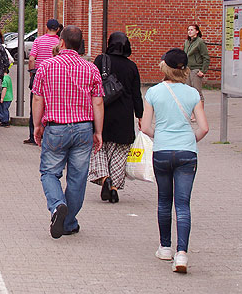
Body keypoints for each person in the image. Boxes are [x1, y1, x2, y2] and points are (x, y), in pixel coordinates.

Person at [140, 48, 209, 274]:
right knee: (183, 204)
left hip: (162, 151)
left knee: (163, 201)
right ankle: (182, 254)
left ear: (165, 67)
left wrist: (159, 136)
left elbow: (145, 126)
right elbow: (204, 127)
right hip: (187, 153)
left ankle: (165, 247)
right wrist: (190, 139)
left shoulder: (153, 92)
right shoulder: (192, 94)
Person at [31, 25, 104, 239]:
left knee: (49, 172)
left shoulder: (46, 67)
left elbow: (37, 98)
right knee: (77, 177)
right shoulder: (91, 68)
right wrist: (98, 131)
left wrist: (37, 125)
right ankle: (69, 221)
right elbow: (98, 102)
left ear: (61, 42)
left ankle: (57, 206)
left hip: (56, 127)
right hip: (83, 127)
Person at [89, 32, 143, 203]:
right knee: (120, 152)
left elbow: (92, 86)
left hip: (103, 112)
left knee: (99, 148)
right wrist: (140, 115)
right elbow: (136, 94)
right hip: (125, 115)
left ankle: (105, 178)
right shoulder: (131, 66)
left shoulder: (100, 60)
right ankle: (114, 188)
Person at [25, 19, 62, 144]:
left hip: (39, 76)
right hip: (54, 77)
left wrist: (32, 73)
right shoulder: (60, 42)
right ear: (57, 29)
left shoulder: (38, 40)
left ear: (46, 28)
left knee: (35, 104)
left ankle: (33, 135)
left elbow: (31, 59)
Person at [182, 24, 210, 104]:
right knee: (188, 92)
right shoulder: (187, 42)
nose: (189, 32)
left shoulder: (200, 42)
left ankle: (200, 114)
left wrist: (203, 71)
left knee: (197, 92)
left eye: (192, 30)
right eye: (188, 30)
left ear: (197, 31)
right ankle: (191, 113)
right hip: (187, 69)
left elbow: (206, 57)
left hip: (196, 69)